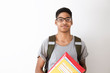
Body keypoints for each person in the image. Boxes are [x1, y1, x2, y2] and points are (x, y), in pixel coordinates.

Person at [35, 7, 88, 73]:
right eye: (60, 19)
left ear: (71, 22)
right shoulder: (48, 43)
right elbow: (38, 69)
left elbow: (83, 66)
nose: (64, 22)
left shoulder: (79, 44)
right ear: (56, 22)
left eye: (67, 19)